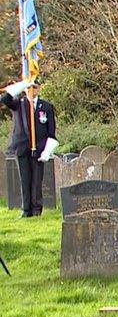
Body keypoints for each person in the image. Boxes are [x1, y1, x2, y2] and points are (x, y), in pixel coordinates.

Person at [1, 80, 57, 217]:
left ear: (39, 89)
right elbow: (5, 99)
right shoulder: (18, 104)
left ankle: (37, 210)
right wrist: (21, 85)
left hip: (39, 148)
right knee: (25, 179)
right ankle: (26, 210)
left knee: (37, 181)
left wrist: (47, 150)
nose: (32, 90)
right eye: (29, 88)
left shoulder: (46, 107)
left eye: (34, 87)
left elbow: (51, 132)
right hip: (22, 147)